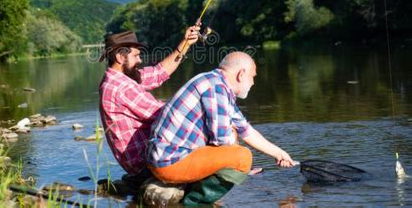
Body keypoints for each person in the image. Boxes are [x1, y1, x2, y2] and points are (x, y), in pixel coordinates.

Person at [146, 51, 295, 204]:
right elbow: (221, 140)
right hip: (170, 161)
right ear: (241, 74)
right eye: (253, 76)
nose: (253, 82)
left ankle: (189, 189)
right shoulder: (216, 88)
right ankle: (195, 202)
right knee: (243, 157)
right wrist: (243, 169)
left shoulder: (215, 82)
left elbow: (247, 130)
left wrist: (278, 153)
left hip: (165, 157)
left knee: (235, 139)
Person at [98, 27, 200, 178]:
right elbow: (168, 115)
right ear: (120, 57)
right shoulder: (121, 87)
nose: (140, 60)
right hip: (145, 164)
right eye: (136, 56)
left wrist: (185, 43)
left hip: (141, 160)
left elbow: (159, 73)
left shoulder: (119, 78)